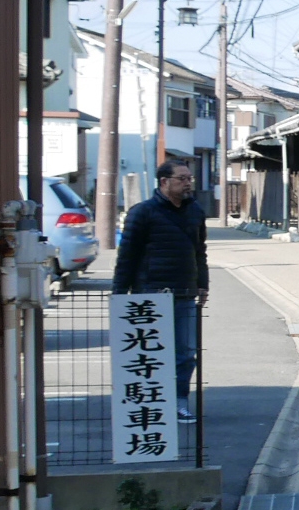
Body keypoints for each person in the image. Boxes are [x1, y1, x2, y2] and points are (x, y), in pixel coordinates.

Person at [113, 160, 209, 423]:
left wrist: (203, 283)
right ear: (164, 181)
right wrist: (120, 293)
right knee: (150, 354)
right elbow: (127, 256)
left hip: (184, 292)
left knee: (185, 353)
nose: (188, 182)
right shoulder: (142, 213)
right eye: (182, 178)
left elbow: (200, 251)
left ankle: (179, 402)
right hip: (149, 292)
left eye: (190, 178)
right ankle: (150, 405)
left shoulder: (195, 212)